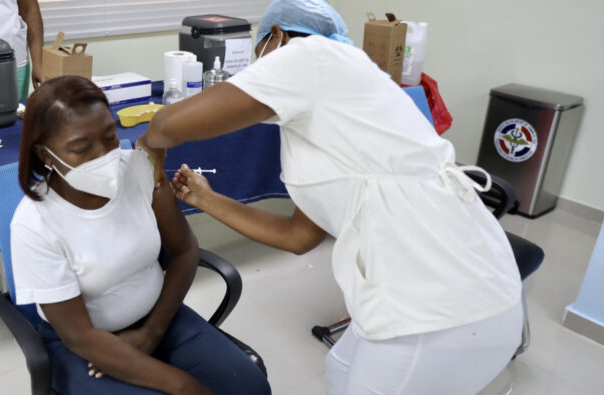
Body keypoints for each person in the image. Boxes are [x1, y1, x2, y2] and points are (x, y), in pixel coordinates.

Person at [136, 0, 523, 393]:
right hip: (471, 284)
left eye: (258, 55)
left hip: (438, 308)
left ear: (277, 36)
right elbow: (299, 237)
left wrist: (149, 146)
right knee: (340, 367)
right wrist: (207, 200)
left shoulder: (312, 54)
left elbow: (169, 123)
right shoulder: (334, 109)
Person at [9, 76, 271, 395]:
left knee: (250, 387)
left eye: (110, 138)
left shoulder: (139, 170)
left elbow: (185, 251)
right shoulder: (35, 223)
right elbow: (79, 336)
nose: (104, 156)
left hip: (162, 317)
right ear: (46, 154)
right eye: (81, 148)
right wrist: (185, 386)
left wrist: (152, 332)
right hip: (86, 346)